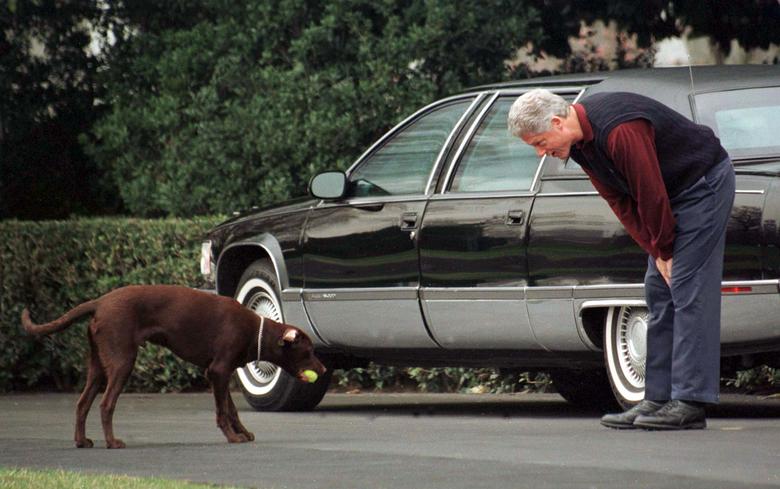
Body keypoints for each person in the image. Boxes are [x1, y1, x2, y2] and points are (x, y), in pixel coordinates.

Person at [508, 88, 735, 430]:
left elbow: (650, 192)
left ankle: (690, 402)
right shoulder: (580, 144)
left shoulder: (620, 129)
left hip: (703, 187)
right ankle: (657, 399)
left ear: (557, 122)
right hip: (668, 198)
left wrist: (666, 249)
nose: (542, 153)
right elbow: (620, 201)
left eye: (540, 142)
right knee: (658, 293)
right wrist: (656, 251)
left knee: (689, 291)